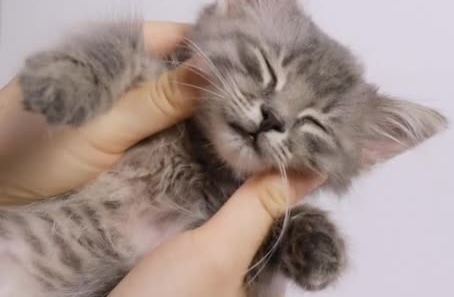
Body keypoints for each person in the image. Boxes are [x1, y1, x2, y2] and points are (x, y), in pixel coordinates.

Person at [0, 21, 325, 297]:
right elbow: (129, 52)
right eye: (264, 69)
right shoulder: (158, 80)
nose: (274, 117)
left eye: (315, 123)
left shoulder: (243, 202)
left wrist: (285, 231)